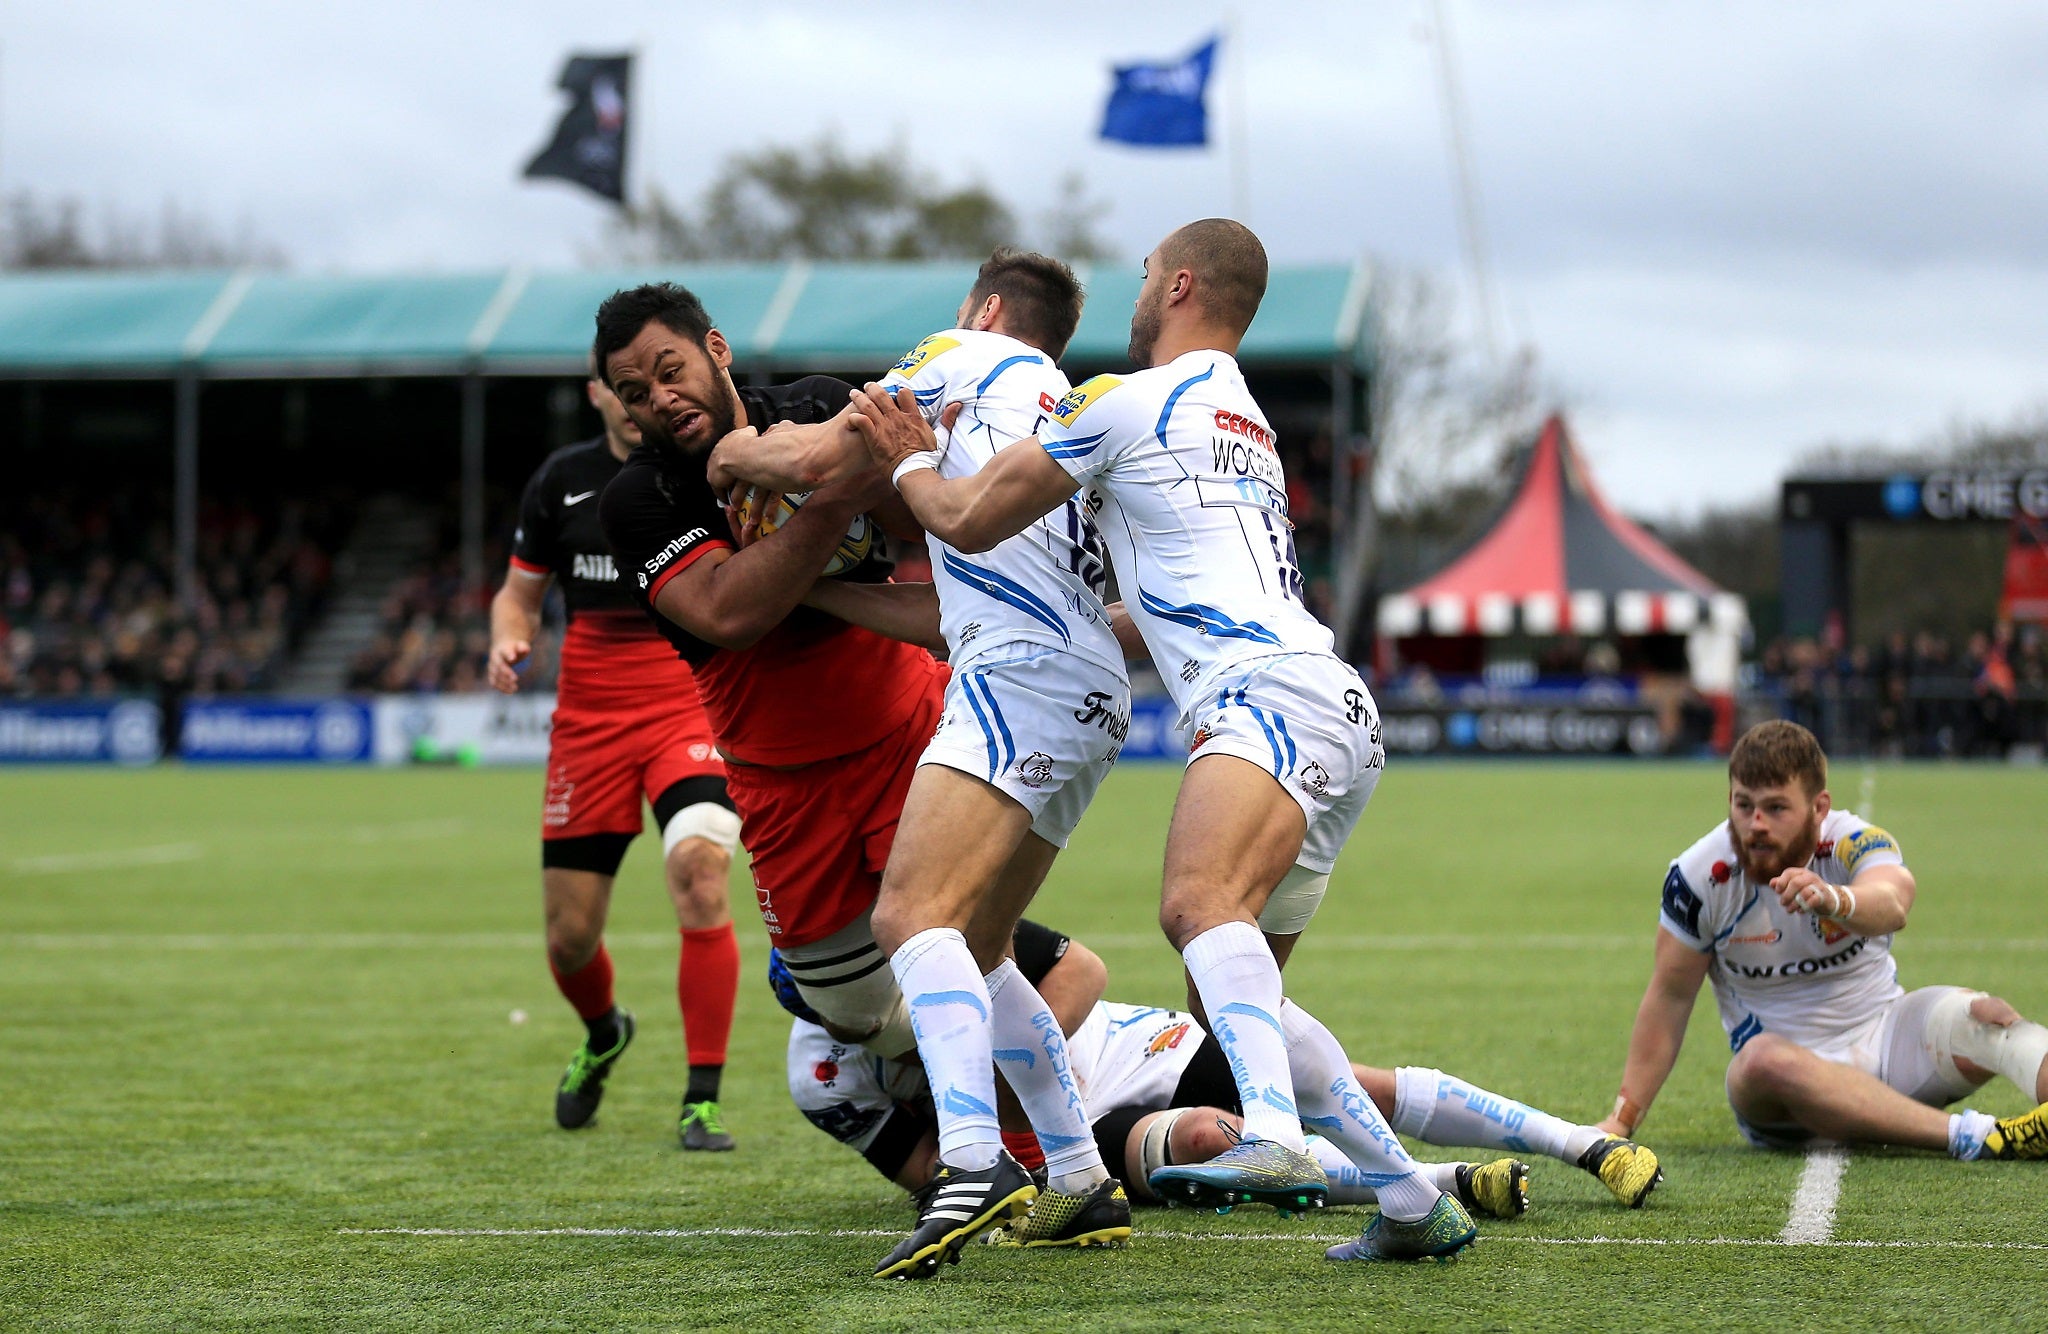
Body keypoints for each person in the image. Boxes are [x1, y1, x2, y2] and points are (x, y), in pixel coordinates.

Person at [848, 219, 1478, 1262]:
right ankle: (1411, 1197)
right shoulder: (1245, 420)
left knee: (1193, 906)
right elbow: (1138, 601)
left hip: (1264, 698)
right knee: (1234, 993)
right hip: (1333, 706)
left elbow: (962, 518)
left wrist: (913, 458)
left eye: (1144, 276)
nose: (1134, 294)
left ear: (1178, 282)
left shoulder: (1124, 400)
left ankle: (1270, 1132)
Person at [711, 251, 1135, 1276]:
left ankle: (972, 1163)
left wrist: (734, 452)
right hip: (1090, 687)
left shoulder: (959, 357)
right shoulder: (1057, 407)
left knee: (910, 919)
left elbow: (819, 458)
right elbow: (942, 610)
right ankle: (1077, 1175)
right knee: (981, 949)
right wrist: (811, 592)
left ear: (985, 309)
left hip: (1016, 678)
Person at [591, 282, 952, 1074]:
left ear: (715, 349)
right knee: (854, 1019)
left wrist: (814, 462)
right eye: (636, 392)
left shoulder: (818, 406)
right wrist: (830, 493)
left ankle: (1058, 1135)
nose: (661, 397)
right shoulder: (637, 498)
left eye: (670, 368)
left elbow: (922, 517)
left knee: (952, 947)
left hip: (905, 724)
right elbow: (728, 613)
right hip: (781, 777)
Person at [777, 928, 1663, 1221]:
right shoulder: (820, 1074)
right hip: (1069, 1144)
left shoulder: (933, 937)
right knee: (1205, 1145)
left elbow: (1081, 972)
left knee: (1357, 1085)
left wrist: (1001, 1083)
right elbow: (921, 1174)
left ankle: (1588, 1145)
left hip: (1132, 1052)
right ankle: (1449, 1185)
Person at [486, 371, 742, 1149]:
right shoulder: (561, 482)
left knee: (699, 872)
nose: (646, 401)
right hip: (589, 727)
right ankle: (604, 1033)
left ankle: (702, 1101)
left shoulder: (709, 467)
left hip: (687, 706)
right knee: (568, 939)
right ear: (599, 391)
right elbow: (518, 596)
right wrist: (507, 636)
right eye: (627, 384)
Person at [1600, 719, 2048, 1160]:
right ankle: (1976, 1137)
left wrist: (1834, 900)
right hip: (1784, 1092)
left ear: (1819, 808)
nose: (1755, 824)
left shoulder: (1852, 842)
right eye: (1743, 805)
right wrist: (1622, 1119)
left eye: (1776, 808)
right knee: (1761, 1061)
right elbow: (1670, 997)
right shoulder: (1700, 876)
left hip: (1887, 1040)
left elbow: (1893, 903)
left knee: (1990, 1018)